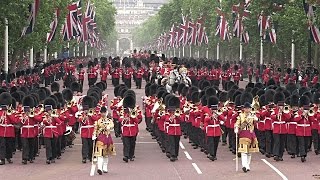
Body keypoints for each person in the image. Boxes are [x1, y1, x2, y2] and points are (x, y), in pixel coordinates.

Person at [234, 102, 259, 173]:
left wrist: (255, 118)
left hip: (251, 133)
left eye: (249, 108)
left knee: (249, 151)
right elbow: (237, 123)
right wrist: (236, 128)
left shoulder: (253, 115)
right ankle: (244, 165)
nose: (247, 109)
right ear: (244, 109)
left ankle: (248, 165)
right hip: (243, 134)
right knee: (243, 151)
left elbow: (256, 122)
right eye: (246, 108)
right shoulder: (240, 115)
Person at [92, 106, 116, 175]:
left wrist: (109, 127)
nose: (103, 114)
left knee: (106, 154)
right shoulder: (98, 121)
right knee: (100, 154)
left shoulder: (109, 120)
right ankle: (99, 168)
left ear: (106, 113)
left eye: (104, 112)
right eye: (102, 112)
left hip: (107, 138)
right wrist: (94, 135)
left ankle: (105, 167)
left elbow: (112, 125)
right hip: (101, 138)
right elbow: (95, 129)